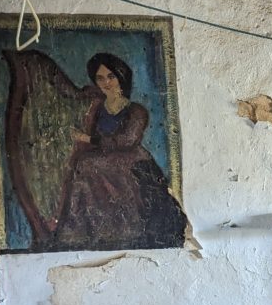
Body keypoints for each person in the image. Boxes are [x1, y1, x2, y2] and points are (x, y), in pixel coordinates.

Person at [55, 52, 185, 250]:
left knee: (88, 164)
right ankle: (86, 231)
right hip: (104, 159)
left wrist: (88, 139)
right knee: (83, 164)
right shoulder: (97, 109)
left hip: (131, 160)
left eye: (110, 77)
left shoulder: (136, 111)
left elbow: (127, 141)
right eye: (100, 78)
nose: (106, 82)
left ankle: (125, 229)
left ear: (121, 77)